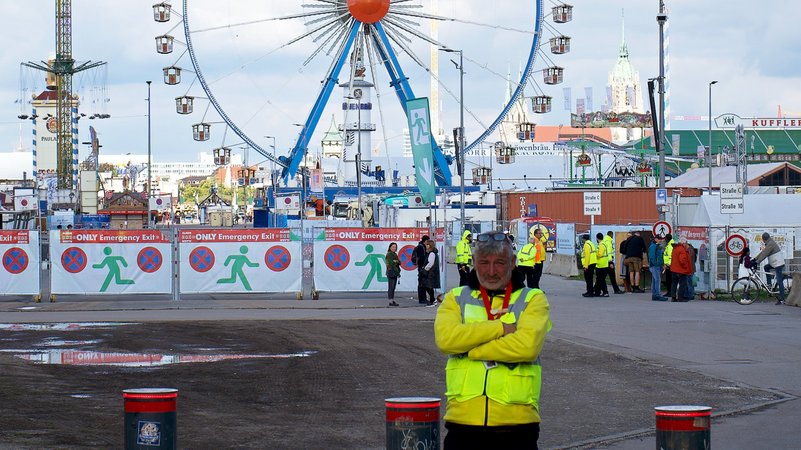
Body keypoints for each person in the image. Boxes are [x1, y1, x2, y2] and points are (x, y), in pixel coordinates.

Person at [434, 231, 551, 449]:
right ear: (474, 263)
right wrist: (501, 328)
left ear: (513, 263)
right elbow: (446, 340)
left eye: (499, 263)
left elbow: (526, 348)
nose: (491, 271)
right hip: (462, 424)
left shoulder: (532, 299)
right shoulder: (456, 298)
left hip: (517, 424)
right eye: (484, 262)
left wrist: (471, 350)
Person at [753, 232, 786, 305]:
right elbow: (763, 252)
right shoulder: (769, 242)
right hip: (774, 263)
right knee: (766, 267)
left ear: (764, 239)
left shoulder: (770, 244)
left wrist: (757, 262)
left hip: (778, 264)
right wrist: (755, 259)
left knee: (779, 280)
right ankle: (769, 284)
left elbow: (764, 254)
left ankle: (782, 299)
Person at [669, 237, 692, 302]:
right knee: (682, 284)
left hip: (674, 269)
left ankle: (673, 297)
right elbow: (682, 260)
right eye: (686, 243)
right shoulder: (682, 250)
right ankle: (680, 298)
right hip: (681, 270)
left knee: (674, 283)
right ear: (683, 243)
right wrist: (686, 267)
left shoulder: (675, 248)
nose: (686, 244)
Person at [648, 237, 669, 301]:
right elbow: (652, 256)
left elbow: (660, 256)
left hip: (656, 265)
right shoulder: (653, 246)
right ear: (655, 239)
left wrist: (661, 264)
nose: (660, 240)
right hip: (655, 266)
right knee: (657, 280)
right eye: (659, 239)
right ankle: (657, 294)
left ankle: (655, 294)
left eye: (661, 239)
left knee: (655, 280)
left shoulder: (657, 246)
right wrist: (656, 263)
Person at [421, 239, 441, 306]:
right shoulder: (433, 253)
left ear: (430, 245)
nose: (426, 246)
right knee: (429, 287)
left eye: (427, 244)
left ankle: (432, 300)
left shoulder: (432, 253)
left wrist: (425, 269)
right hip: (432, 273)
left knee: (428, 286)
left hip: (430, 273)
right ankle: (432, 300)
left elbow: (430, 263)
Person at [414, 235, 430, 305]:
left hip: (421, 267)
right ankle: (422, 299)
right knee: (422, 283)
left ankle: (423, 298)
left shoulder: (420, 246)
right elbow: (421, 258)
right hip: (422, 267)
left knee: (422, 283)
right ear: (425, 241)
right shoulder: (421, 247)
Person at [593, 233, 609, 297]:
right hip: (602, 264)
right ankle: (598, 292)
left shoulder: (601, 245)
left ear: (597, 238)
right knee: (600, 279)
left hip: (602, 265)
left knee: (601, 280)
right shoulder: (602, 244)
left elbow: (600, 254)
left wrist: (595, 253)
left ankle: (605, 292)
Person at [385, 242, 401, 307]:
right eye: (393, 247)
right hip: (391, 272)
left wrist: (396, 261)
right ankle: (390, 300)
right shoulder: (389, 254)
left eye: (395, 247)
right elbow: (391, 263)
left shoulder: (395, 254)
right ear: (390, 247)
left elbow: (399, 262)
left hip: (395, 272)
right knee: (391, 287)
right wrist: (395, 261)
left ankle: (392, 299)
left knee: (393, 287)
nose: (394, 248)